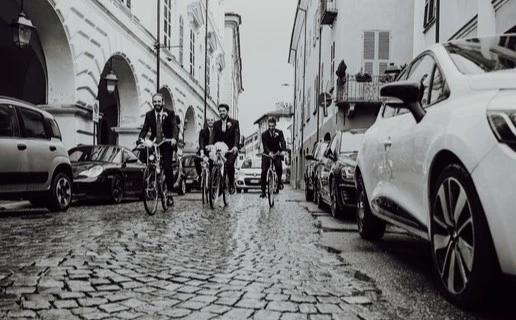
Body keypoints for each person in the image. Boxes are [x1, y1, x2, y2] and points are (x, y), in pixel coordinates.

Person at [137, 93, 179, 206]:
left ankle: (169, 194)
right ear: (153, 103)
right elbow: (145, 129)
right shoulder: (149, 115)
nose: (157, 104)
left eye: (159, 101)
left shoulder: (170, 114)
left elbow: (175, 127)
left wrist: (174, 138)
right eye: (155, 102)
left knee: (167, 167)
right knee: (147, 158)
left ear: (163, 102)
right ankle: (151, 180)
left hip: (166, 143)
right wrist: (140, 138)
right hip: (155, 143)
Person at [213, 103, 240, 194]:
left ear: (227, 112)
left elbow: (237, 135)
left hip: (231, 150)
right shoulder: (216, 124)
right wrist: (211, 146)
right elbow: (213, 136)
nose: (222, 113)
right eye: (220, 111)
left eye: (223, 111)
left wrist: (236, 146)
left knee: (229, 164)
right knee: (214, 164)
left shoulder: (234, 123)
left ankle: (231, 183)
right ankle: (217, 185)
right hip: (220, 149)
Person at [260, 117, 286, 198]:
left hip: (277, 153)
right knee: (264, 171)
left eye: (273, 126)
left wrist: (283, 150)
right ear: (268, 125)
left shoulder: (279, 132)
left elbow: (282, 141)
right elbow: (265, 145)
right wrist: (269, 153)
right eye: (270, 126)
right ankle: (263, 191)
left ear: (275, 125)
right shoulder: (264, 134)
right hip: (267, 154)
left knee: (278, 166)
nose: (271, 128)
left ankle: (279, 182)